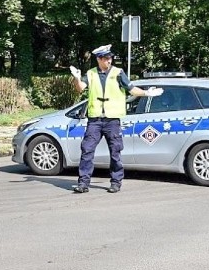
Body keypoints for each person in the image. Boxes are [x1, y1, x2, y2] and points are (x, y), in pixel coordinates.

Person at [69, 44, 163, 194]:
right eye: (106, 58)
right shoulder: (91, 73)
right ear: (99, 59)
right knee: (87, 150)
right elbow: (80, 88)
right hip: (95, 120)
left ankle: (116, 182)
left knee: (115, 152)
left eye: (110, 58)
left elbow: (131, 89)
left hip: (112, 120)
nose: (109, 60)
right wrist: (76, 78)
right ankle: (83, 183)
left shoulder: (118, 73)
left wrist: (147, 93)